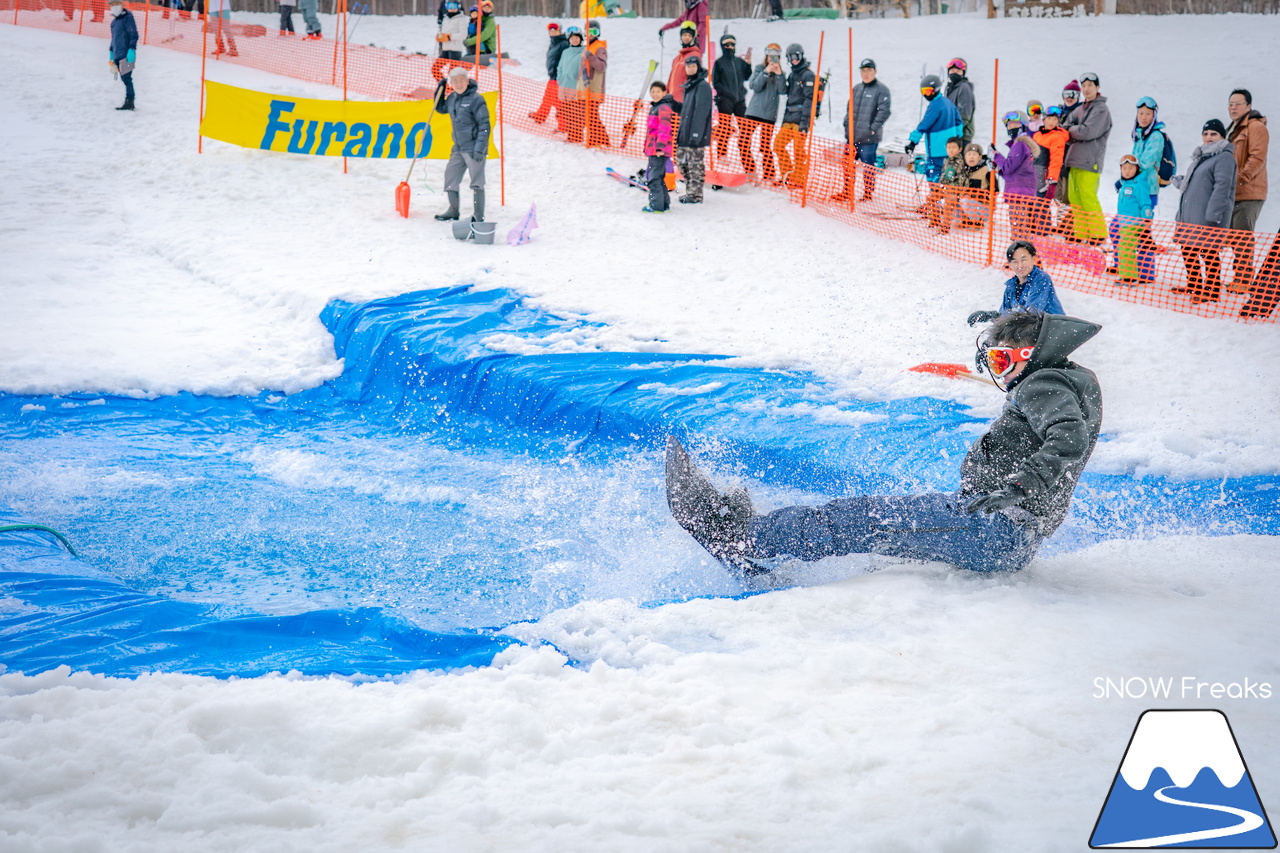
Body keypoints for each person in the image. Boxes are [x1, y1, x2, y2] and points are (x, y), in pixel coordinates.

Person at [667, 309, 1103, 577]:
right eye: (990, 358)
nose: (997, 369)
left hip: (995, 528)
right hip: (999, 526)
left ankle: (743, 538)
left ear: (1033, 356)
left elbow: (1070, 438)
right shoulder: (1068, 377)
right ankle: (765, 552)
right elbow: (1059, 406)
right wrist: (1008, 326)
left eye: (1003, 359)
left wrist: (1021, 485)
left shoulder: (1041, 384)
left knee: (858, 518)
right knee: (873, 522)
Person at [1172, 119, 1237, 304]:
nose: (1208, 137)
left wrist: (1214, 215)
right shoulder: (1203, 156)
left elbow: (1222, 187)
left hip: (1207, 216)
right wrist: (1182, 181)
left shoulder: (1224, 157)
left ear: (1222, 137)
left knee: (1208, 253)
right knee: (1188, 250)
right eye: (1206, 134)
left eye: (1213, 134)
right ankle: (1194, 285)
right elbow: (1201, 182)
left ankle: (1212, 291)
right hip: (1191, 215)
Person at [433, 66, 491, 223]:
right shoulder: (452, 97)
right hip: (458, 148)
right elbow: (440, 108)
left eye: (461, 80)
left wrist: (480, 148)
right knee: (450, 178)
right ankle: (453, 210)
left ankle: (478, 216)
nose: (458, 84)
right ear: (451, 83)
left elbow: (484, 125)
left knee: (476, 182)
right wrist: (440, 89)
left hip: (474, 148)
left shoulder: (476, 99)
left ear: (467, 80)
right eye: (455, 81)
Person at [1225, 89, 1269, 292]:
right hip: (1233, 192)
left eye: (1238, 103)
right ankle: (1239, 277)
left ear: (1248, 106)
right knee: (1235, 236)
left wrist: (1241, 179)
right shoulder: (1232, 129)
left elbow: (1257, 157)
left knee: (1242, 237)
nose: (1233, 107)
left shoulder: (1255, 127)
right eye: (1230, 104)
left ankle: (1243, 280)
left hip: (1249, 191)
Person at [1061, 71, 1112, 245]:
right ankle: (1081, 233)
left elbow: (1088, 132)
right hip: (1074, 160)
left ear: (1097, 87)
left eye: (1090, 85)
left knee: (1088, 197)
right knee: (1075, 200)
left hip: (1090, 161)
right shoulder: (1080, 108)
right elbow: (1065, 125)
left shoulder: (1101, 109)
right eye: (1084, 86)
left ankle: (1097, 235)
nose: (1087, 89)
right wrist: (1073, 129)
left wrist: (1072, 130)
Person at [967, 240, 1065, 326]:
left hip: (1052, 331)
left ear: (1033, 259)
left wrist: (997, 318)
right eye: (1015, 262)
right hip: (1029, 329)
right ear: (1010, 265)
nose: (1020, 265)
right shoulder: (1011, 286)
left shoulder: (1041, 279)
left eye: (1024, 260)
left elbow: (1031, 314)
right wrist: (992, 316)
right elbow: (1005, 314)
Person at [834, 57, 891, 203]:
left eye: (869, 70)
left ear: (875, 72)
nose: (866, 74)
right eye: (864, 71)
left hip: (868, 139)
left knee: (868, 167)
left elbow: (884, 112)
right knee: (847, 165)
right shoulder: (857, 89)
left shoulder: (881, 90)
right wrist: (846, 123)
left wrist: (872, 129)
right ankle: (847, 191)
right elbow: (849, 108)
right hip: (852, 137)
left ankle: (868, 193)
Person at [773, 43, 818, 189]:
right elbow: (786, 93)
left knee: (799, 150)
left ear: (801, 55)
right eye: (791, 57)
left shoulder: (808, 75)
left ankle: (799, 179)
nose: (794, 60)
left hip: (800, 119)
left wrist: (805, 123)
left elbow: (809, 100)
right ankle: (788, 175)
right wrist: (780, 75)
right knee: (778, 145)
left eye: (796, 56)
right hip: (789, 117)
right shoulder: (793, 75)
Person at [905, 74, 963, 184]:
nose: (926, 95)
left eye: (928, 91)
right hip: (950, 149)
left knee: (933, 173)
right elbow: (959, 122)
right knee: (946, 172)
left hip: (936, 148)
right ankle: (943, 196)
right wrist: (957, 138)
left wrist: (913, 142)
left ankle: (935, 197)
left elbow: (924, 124)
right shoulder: (947, 102)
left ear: (936, 89)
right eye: (923, 92)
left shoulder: (935, 105)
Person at [992, 110, 1041, 238]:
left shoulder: (1019, 144)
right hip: (1019, 189)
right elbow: (1012, 173)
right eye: (1009, 125)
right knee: (1019, 224)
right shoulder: (1020, 145)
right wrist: (997, 168)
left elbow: (1008, 167)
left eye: (1015, 124)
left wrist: (996, 155)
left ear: (1023, 125)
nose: (1011, 127)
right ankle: (1021, 248)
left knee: (1019, 225)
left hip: (1020, 192)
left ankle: (1022, 250)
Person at [1110, 154, 1156, 286]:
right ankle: (1125, 275)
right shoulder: (1125, 184)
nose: (1127, 171)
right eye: (1124, 168)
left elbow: (1145, 204)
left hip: (1134, 224)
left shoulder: (1139, 185)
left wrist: (1147, 221)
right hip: (1124, 223)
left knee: (1126, 249)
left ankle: (1130, 277)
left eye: (1131, 168)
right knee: (1123, 248)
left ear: (1136, 169)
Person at [674, 52, 713, 204]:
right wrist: (674, 105)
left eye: (693, 66)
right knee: (682, 163)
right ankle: (691, 191)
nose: (690, 69)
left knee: (694, 166)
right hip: (685, 132)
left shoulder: (702, 86)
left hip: (695, 134)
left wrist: (696, 134)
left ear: (698, 67)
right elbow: (687, 111)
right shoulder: (690, 86)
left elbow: (701, 112)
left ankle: (695, 195)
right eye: (688, 67)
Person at [744, 44, 785, 183]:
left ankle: (769, 174)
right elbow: (754, 86)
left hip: (769, 114)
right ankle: (750, 169)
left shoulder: (780, 73)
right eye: (770, 56)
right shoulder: (759, 69)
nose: (772, 59)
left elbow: (783, 90)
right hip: (754, 111)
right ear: (766, 57)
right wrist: (766, 71)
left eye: (775, 57)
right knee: (743, 141)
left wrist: (779, 75)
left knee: (765, 146)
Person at [711, 34, 753, 172]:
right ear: (723, 46)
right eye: (727, 45)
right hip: (725, 101)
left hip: (740, 100)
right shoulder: (719, 63)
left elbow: (746, 77)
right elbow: (715, 82)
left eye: (732, 45)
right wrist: (725, 93)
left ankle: (748, 162)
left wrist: (748, 65)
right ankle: (722, 157)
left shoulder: (739, 62)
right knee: (725, 129)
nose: (730, 47)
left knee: (745, 130)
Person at [642, 81, 677, 214]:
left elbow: (664, 129)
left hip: (658, 149)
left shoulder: (663, 108)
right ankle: (663, 204)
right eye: (653, 91)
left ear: (664, 92)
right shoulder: (656, 107)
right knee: (658, 177)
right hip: (654, 148)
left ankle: (656, 206)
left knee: (653, 178)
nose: (655, 94)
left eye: (658, 91)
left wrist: (659, 148)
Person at [1130, 96, 1167, 217]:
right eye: (1140, 113)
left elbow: (1145, 163)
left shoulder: (1156, 136)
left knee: (1139, 229)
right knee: (1124, 227)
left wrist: (1127, 175)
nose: (1143, 117)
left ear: (1154, 116)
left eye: (1148, 114)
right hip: (1135, 188)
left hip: (1147, 189)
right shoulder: (1139, 135)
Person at [528, 23, 568, 127]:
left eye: (555, 30)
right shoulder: (554, 43)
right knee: (547, 98)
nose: (553, 32)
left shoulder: (564, 43)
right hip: (552, 76)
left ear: (560, 31)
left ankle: (563, 125)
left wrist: (561, 74)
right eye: (551, 31)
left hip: (558, 77)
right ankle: (540, 116)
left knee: (558, 102)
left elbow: (566, 60)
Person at [923, 137, 966, 232]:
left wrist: (954, 188)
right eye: (949, 147)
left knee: (948, 202)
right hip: (945, 187)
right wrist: (939, 185)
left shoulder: (959, 161)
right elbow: (944, 175)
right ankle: (935, 219)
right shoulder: (947, 160)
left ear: (960, 149)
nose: (951, 150)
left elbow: (956, 177)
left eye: (954, 147)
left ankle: (945, 226)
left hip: (955, 190)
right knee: (931, 197)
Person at [555, 26, 586, 144]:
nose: (574, 40)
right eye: (572, 39)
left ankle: (577, 135)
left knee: (577, 114)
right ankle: (570, 135)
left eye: (577, 38)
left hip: (577, 88)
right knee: (567, 113)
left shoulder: (584, 51)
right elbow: (560, 67)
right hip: (564, 86)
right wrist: (560, 79)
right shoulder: (566, 52)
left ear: (580, 39)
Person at [582, 20, 609, 147]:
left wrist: (590, 56)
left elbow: (601, 67)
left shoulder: (599, 47)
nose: (591, 35)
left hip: (595, 87)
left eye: (594, 32)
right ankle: (596, 137)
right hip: (586, 86)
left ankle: (602, 138)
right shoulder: (587, 46)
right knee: (589, 113)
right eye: (588, 32)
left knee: (592, 114)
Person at [1034, 105, 1069, 203]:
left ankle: (1043, 218)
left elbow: (1056, 159)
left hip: (1044, 176)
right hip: (1034, 173)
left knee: (1041, 205)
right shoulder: (1037, 135)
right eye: (1049, 118)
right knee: (1032, 205)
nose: (1051, 122)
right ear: (1044, 120)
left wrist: (1052, 180)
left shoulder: (1057, 137)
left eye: (1054, 119)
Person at [107, 0, 138, 111]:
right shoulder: (114, 22)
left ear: (122, 5)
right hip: (117, 54)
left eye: (117, 5)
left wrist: (132, 49)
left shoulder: (128, 17)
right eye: (112, 5)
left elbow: (133, 34)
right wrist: (111, 52)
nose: (114, 7)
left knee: (127, 78)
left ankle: (130, 101)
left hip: (126, 54)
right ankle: (128, 101)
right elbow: (114, 39)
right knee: (124, 78)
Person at [666, 21, 701, 105]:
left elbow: (695, 79)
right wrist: (666, 94)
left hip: (683, 102)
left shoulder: (694, 55)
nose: (686, 38)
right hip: (672, 100)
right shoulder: (677, 58)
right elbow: (671, 78)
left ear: (693, 38)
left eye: (689, 35)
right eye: (684, 35)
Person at [945, 57, 975, 145]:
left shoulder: (964, 87)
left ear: (963, 73)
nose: (954, 73)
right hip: (951, 134)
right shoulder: (949, 89)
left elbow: (964, 113)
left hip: (961, 135)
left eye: (958, 71)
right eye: (952, 70)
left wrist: (956, 132)